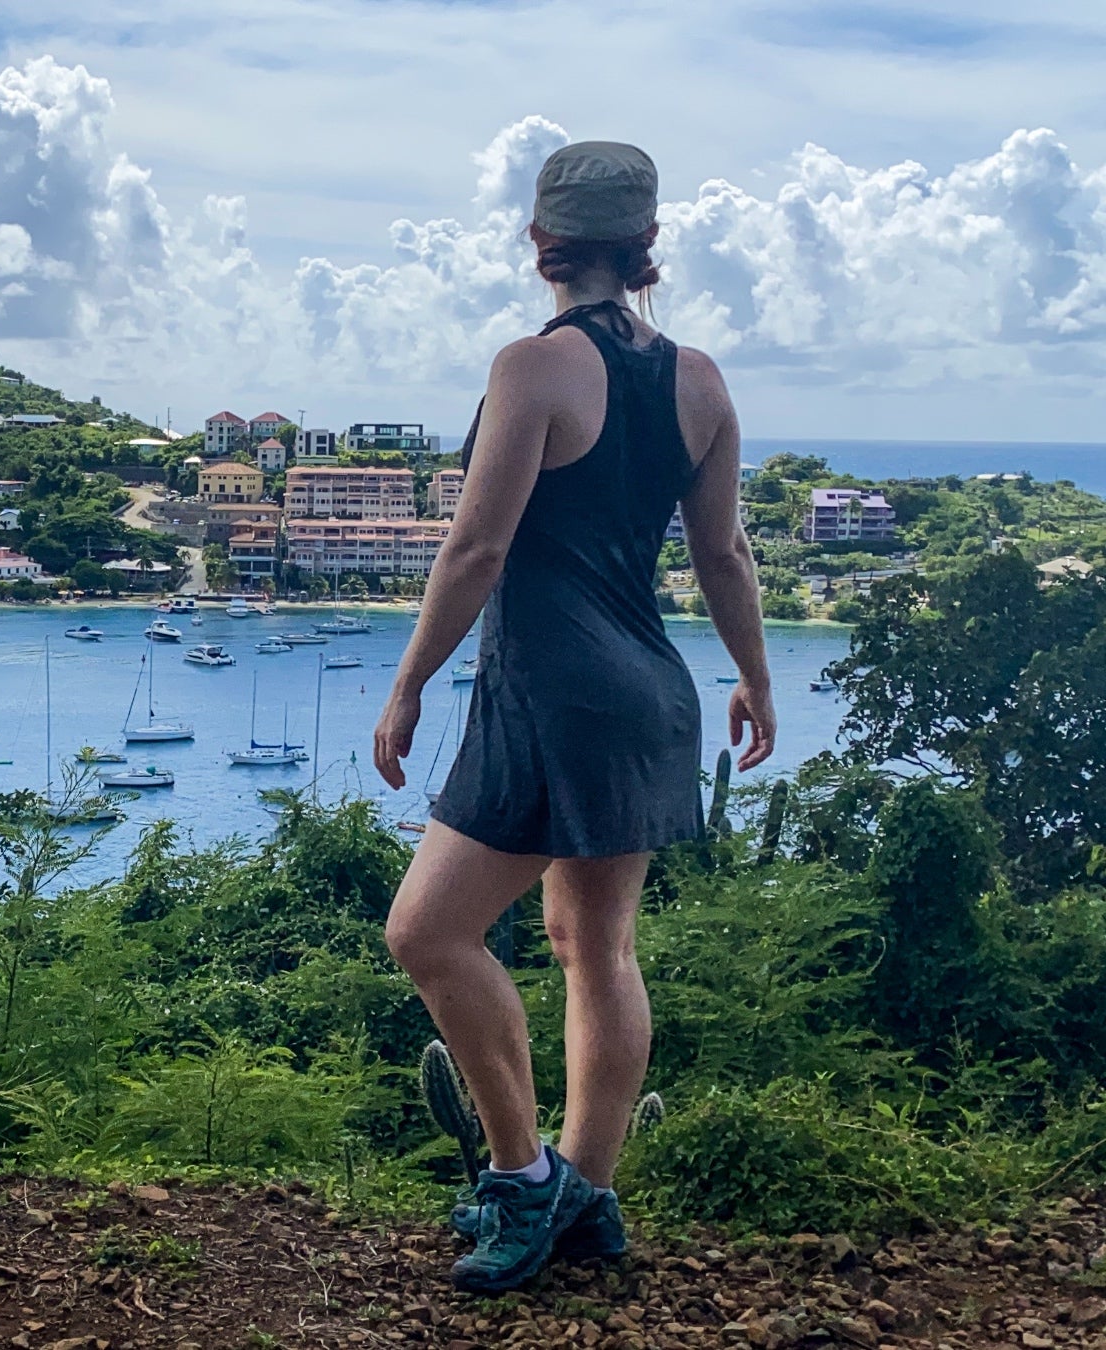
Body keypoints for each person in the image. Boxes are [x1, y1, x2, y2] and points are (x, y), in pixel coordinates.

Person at [371, 141, 775, 1294]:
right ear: (647, 249)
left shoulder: (533, 368)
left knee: (428, 934)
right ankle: (589, 1199)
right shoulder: (700, 381)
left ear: (540, 243)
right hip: (654, 692)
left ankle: (526, 1176)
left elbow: (478, 547)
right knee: (595, 946)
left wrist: (406, 682)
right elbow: (726, 554)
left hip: (553, 694)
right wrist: (755, 676)